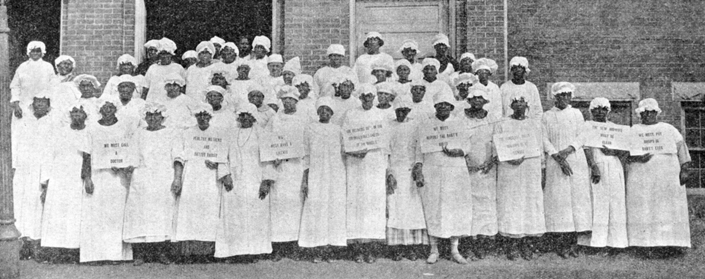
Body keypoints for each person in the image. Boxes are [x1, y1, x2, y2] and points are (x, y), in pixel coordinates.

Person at [626, 98, 692, 258]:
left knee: (667, 209)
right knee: (643, 208)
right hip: (641, 176)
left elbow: (682, 149)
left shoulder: (669, 129)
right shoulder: (633, 130)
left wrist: (684, 169)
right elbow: (624, 154)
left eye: (652, 112)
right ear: (640, 114)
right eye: (645, 112)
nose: (648, 115)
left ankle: (670, 245)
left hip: (666, 177)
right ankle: (644, 245)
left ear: (657, 113)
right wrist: (636, 158)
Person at [414, 91, 472, 265]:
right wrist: (419, 168)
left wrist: (459, 151)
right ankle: (434, 249)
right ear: (435, 107)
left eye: (446, 105)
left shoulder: (459, 124)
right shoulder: (426, 125)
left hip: (455, 170)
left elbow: (467, 145)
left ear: (452, 107)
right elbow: (419, 149)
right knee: (434, 208)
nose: (443, 108)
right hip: (433, 171)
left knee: (454, 209)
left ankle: (455, 249)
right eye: (440, 105)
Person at [215, 103, 275, 262]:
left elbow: (268, 160)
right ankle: (233, 252)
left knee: (256, 215)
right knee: (234, 215)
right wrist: (225, 175)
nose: (245, 118)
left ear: (254, 117)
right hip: (235, 180)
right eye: (241, 115)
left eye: (248, 115)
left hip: (256, 179)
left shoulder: (261, 134)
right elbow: (222, 157)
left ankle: (254, 251)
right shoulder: (230, 133)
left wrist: (266, 181)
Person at [123, 103, 180, 265]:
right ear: (145, 117)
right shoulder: (138, 133)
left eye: (156, 115)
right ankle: (140, 254)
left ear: (162, 117)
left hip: (163, 179)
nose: (153, 118)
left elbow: (177, 157)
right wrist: (124, 164)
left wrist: (177, 178)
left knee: (161, 214)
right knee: (140, 214)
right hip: (141, 178)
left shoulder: (171, 133)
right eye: (149, 115)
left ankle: (161, 253)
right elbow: (130, 155)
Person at [341, 84, 393, 264]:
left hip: (375, 164)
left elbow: (386, 144)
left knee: (373, 204)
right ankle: (357, 249)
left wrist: (387, 169)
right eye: (364, 96)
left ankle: (371, 249)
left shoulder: (381, 115)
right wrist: (354, 152)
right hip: (356, 164)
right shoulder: (350, 114)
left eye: (370, 96)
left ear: (375, 97)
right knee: (355, 203)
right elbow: (345, 139)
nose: (367, 99)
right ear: (360, 97)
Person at [172, 107, 230, 264]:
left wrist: (217, 163)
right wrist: (177, 179)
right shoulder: (186, 133)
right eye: (200, 115)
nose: (203, 118)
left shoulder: (220, 133)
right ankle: (187, 253)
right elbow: (179, 158)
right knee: (189, 211)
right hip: (191, 176)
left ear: (210, 116)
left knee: (208, 211)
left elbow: (224, 157)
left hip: (210, 178)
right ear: (195, 116)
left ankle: (206, 252)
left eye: (206, 115)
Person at [542, 82, 592, 258]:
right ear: (555, 97)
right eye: (561, 95)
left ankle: (573, 243)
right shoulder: (546, 116)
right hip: (555, 162)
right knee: (559, 201)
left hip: (575, 159)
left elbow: (582, 136)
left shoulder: (577, 114)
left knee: (576, 200)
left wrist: (568, 150)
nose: (564, 98)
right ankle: (561, 243)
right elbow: (544, 139)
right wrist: (557, 156)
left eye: (567, 95)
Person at [80, 99, 134, 263]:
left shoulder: (124, 127)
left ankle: (116, 255)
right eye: (104, 108)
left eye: (111, 107)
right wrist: (88, 178)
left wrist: (123, 165)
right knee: (97, 215)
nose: (107, 110)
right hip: (99, 176)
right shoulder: (92, 128)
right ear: (100, 110)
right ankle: (96, 255)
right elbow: (87, 155)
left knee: (116, 215)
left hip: (118, 178)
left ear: (115, 109)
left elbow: (130, 150)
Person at [495, 93, 547, 261]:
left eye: (522, 102)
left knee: (529, 203)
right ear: (511, 106)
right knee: (511, 203)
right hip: (509, 169)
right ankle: (512, 244)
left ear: (527, 105)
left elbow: (539, 147)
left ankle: (527, 244)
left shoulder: (535, 124)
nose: (519, 105)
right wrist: (509, 157)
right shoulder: (503, 123)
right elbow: (497, 145)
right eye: (515, 102)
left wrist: (542, 168)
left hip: (530, 169)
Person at [576, 97, 628, 255]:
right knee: (597, 203)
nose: (600, 112)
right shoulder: (587, 125)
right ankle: (596, 243)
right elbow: (586, 147)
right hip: (596, 165)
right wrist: (593, 166)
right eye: (596, 109)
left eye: (603, 109)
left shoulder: (614, 128)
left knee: (615, 203)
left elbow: (624, 149)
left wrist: (613, 152)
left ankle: (616, 243)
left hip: (613, 165)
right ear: (591, 110)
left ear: (608, 111)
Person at [298, 97, 348, 263]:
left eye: (328, 110)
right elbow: (305, 154)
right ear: (317, 112)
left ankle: (331, 249)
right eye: (322, 110)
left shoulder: (338, 130)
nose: (325, 113)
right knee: (316, 209)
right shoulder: (310, 129)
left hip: (335, 175)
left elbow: (345, 151)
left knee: (333, 210)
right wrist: (305, 179)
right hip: (316, 175)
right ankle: (317, 249)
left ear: (332, 113)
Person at [40, 105, 89, 263]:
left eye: (80, 112)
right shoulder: (60, 132)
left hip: (76, 178)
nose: (76, 115)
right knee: (56, 213)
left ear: (85, 115)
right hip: (59, 177)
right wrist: (46, 180)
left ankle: (72, 251)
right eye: (74, 112)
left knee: (75, 214)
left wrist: (87, 177)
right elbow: (49, 154)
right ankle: (55, 251)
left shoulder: (89, 132)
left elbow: (89, 157)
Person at [14, 91, 59, 261]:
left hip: (43, 169)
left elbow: (53, 149)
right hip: (25, 169)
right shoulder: (25, 121)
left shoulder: (53, 122)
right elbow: (18, 142)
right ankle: (23, 243)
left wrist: (47, 175)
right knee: (22, 204)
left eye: (43, 102)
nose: (40, 105)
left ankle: (37, 245)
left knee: (38, 205)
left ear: (48, 106)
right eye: (37, 102)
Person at [266, 86, 308, 261]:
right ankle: (278, 246)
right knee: (278, 206)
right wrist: (273, 155)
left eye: (291, 99)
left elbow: (307, 144)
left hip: (296, 167)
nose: (288, 102)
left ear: (296, 101)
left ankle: (293, 246)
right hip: (280, 168)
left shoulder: (304, 119)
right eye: (285, 100)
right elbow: (268, 141)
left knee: (295, 205)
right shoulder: (275, 119)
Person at [386, 94, 428, 262]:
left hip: (411, 172)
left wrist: (418, 166)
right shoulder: (389, 126)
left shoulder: (416, 126)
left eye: (405, 110)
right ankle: (397, 247)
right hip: (396, 171)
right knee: (396, 208)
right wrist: (389, 173)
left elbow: (419, 148)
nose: (401, 113)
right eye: (398, 111)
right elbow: (386, 151)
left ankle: (412, 246)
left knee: (412, 209)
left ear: (409, 110)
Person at [461, 86, 501, 260]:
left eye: (481, 98)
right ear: (469, 100)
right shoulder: (460, 119)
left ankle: (482, 244)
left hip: (487, 170)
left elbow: (499, 143)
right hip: (467, 169)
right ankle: (468, 243)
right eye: (474, 98)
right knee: (468, 205)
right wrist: (464, 162)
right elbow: (457, 141)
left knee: (486, 206)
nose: (477, 101)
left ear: (485, 101)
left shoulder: (492, 119)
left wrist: (491, 161)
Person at [10, 41, 56, 170]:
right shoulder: (22, 67)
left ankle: (41, 166)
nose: (35, 53)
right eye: (33, 51)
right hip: (24, 107)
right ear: (28, 52)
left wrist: (46, 105)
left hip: (42, 106)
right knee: (22, 135)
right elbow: (15, 86)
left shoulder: (48, 67)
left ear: (43, 52)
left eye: (38, 51)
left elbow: (53, 86)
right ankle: (20, 165)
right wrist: (16, 104)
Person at [143, 37, 185, 103]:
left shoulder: (178, 68)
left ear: (171, 55)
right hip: (154, 102)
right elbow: (146, 87)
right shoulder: (153, 68)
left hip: (172, 103)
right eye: (162, 54)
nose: (165, 56)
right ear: (159, 55)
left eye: (167, 54)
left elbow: (183, 88)